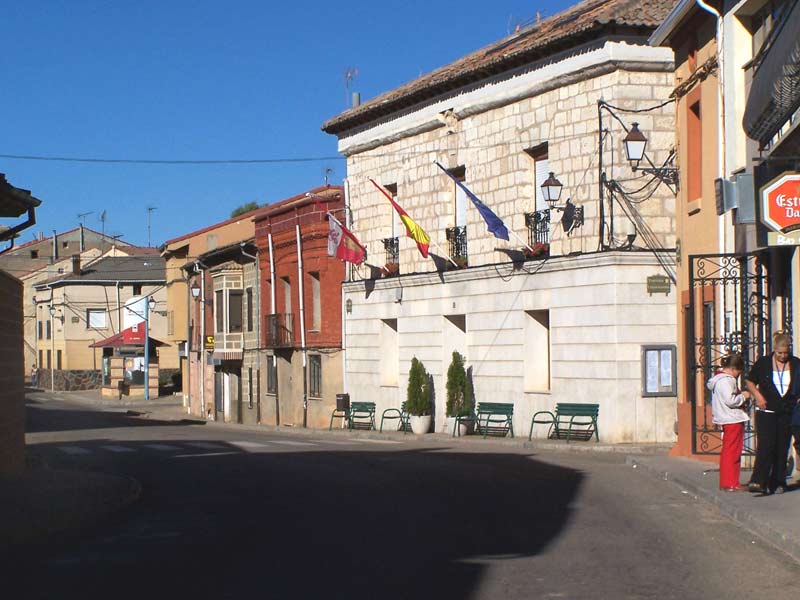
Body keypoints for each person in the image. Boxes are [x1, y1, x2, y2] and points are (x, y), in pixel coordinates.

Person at [745, 332, 800, 494]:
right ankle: (758, 481)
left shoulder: (796, 363)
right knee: (766, 445)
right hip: (766, 409)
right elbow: (750, 381)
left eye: (785, 353)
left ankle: (778, 481)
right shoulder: (763, 363)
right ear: (774, 350)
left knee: (782, 447)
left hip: (786, 411)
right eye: (779, 353)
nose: (783, 356)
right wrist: (757, 395)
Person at [707, 354, 750, 491]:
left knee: (728, 451)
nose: (738, 375)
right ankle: (731, 482)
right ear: (732, 368)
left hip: (725, 418)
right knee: (733, 451)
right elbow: (730, 400)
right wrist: (744, 396)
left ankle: (727, 481)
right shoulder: (727, 380)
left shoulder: (717, 380)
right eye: (739, 372)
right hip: (733, 418)